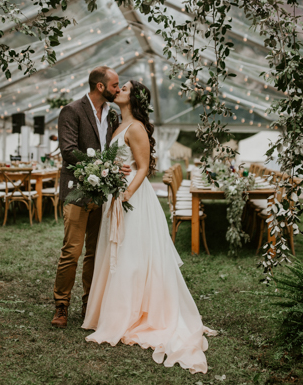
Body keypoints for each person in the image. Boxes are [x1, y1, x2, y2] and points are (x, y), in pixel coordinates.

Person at [82, 80, 216, 374]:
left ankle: (134, 314)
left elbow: (143, 167)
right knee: (118, 252)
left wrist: (126, 194)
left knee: (131, 256)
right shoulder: (117, 125)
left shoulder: (137, 127)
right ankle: (114, 312)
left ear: (135, 99)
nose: (119, 90)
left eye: (125, 88)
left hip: (132, 199)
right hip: (115, 193)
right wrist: (109, 172)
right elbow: (120, 160)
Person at [51, 66, 127, 328]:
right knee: (72, 251)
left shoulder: (113, 115)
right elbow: (69, 151)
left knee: (95, 252)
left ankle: (89, 303)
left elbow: (114, 148)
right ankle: (61, 305)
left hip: (103, 192)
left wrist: (114, 169)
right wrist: (102, 167)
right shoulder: (71, 111)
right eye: (116, 85)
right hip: (76, 190)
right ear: (100, 87)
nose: (118, 89)